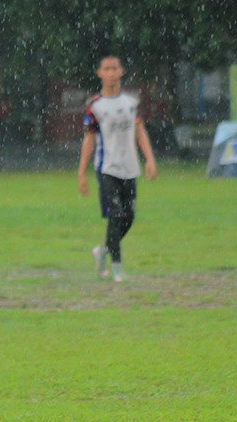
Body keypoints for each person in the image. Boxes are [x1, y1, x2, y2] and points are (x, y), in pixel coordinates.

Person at [77, 54, 157, 282]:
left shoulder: (131, 103)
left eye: (115, 68)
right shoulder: (95, 106)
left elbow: (140, 132)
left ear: (121, 72)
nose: (111, 73)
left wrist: (150, 159)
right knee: (116, 216)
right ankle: (118, 267)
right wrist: (82, 172)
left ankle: (103, 250)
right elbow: (89, 139)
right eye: (106, 69)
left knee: (128, 217)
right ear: (100, 74)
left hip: (130, 167)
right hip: (107, 168)